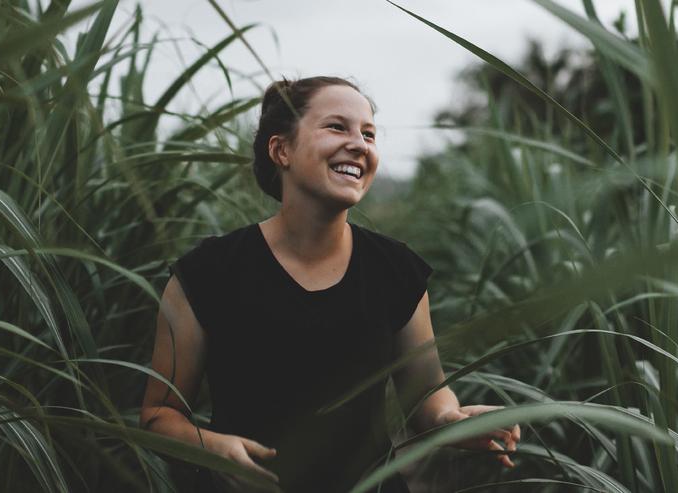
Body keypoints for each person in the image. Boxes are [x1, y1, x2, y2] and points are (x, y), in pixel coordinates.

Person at [139, 76, 521, 493]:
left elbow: (427, 395)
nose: (359, 143)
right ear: (281, 149)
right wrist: (211, 448)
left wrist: (452, 420)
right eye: (337, 127)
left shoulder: (395, 270)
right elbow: (159, 414)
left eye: (369, 133)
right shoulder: (208, 273)